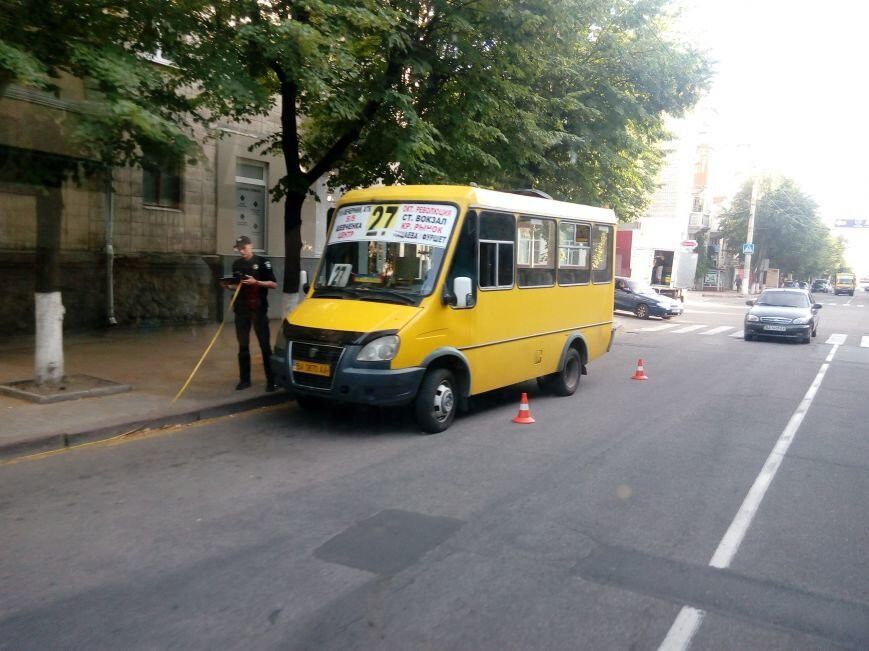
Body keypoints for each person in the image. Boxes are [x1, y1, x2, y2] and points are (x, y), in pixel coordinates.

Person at [222, 236, 278, 391]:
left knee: (264, 346)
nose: (242, 251)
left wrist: (257, 283)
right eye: (239, 248)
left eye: (244, 248)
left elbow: (274, 284)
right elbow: (237, 286)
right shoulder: (237, 264)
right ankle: (244, 380)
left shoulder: (262, 262)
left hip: (258, 310)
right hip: (241, 310)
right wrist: (228, 286)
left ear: (251, 246)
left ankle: (271, 381)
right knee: (243, 345)